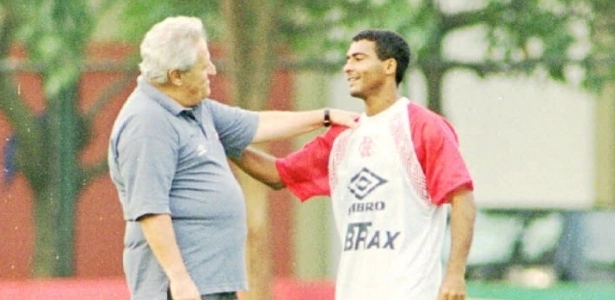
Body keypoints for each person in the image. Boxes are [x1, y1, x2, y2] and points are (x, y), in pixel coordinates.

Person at [107, 16, 358, 300]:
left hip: (214, 283)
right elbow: (150, 209)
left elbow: (258, 125)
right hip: (180, 288)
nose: (212, 70)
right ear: (176, 75)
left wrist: (324, 117)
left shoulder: (197, 108)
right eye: (204, 66)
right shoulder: (147, 122)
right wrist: (179, 280)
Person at [232, 29, 476, 300]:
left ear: (389, 66)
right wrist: (223, 139)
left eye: (358, 58)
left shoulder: (423, 126)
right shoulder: (343, 136)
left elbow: (462, 198)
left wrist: (454, 274)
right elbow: (278, 174)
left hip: (411, 292)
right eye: (347, 59)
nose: (348, 67)